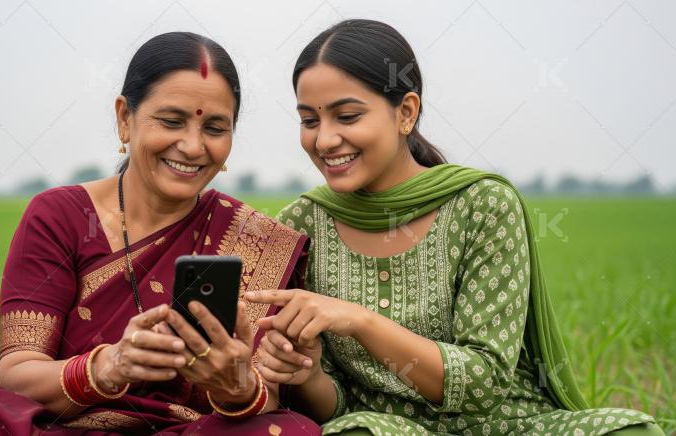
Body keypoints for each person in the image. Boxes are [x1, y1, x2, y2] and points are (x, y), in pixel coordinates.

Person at [0, 32, 318, 435]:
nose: (192, 145)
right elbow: (19, 373)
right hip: (54, 427)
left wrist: (235, 384)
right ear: (125, 119)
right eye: (171, 121)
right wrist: (110, 366)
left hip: (183, 432)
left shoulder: (257, 239)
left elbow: (264, 398)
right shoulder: (59, 215)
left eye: (215, 128)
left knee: (291, 431)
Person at [246, 19, 664, 435]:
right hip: (384, 429)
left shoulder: (482, 206)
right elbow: (330, 405)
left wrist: (360, 320)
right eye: (310, 120)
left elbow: (484, 383)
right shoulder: (300, 226)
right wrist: (309, 374)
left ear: (405, 113)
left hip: (510, 426)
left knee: (634, 431)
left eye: (347, 116)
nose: (324, 141)